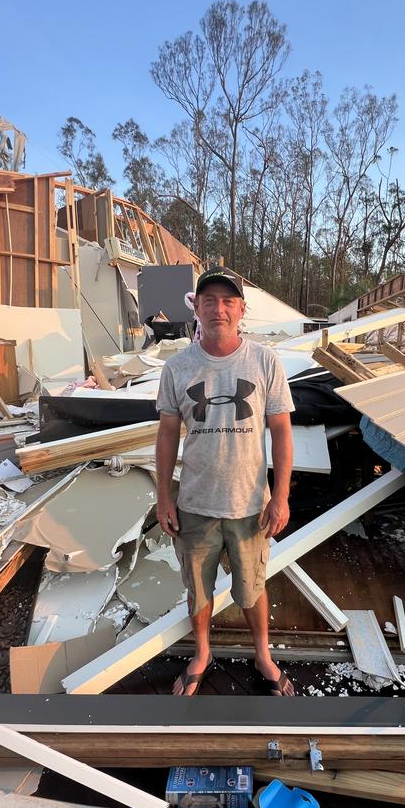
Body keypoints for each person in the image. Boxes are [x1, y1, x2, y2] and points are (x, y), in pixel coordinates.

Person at [155, 267, 295, 696]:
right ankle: (202, 653)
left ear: (241, 309)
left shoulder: (264, 360)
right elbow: (165, 435)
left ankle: (263, 656)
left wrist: (282, 496)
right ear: (196, 308)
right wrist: (164, 496)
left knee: (252, 589)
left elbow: (282, 431)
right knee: (197, 592)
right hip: (196, 504)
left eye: (228, 301)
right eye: (209, 300)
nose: (219, 309)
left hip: (251, 504)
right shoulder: (178, 368)